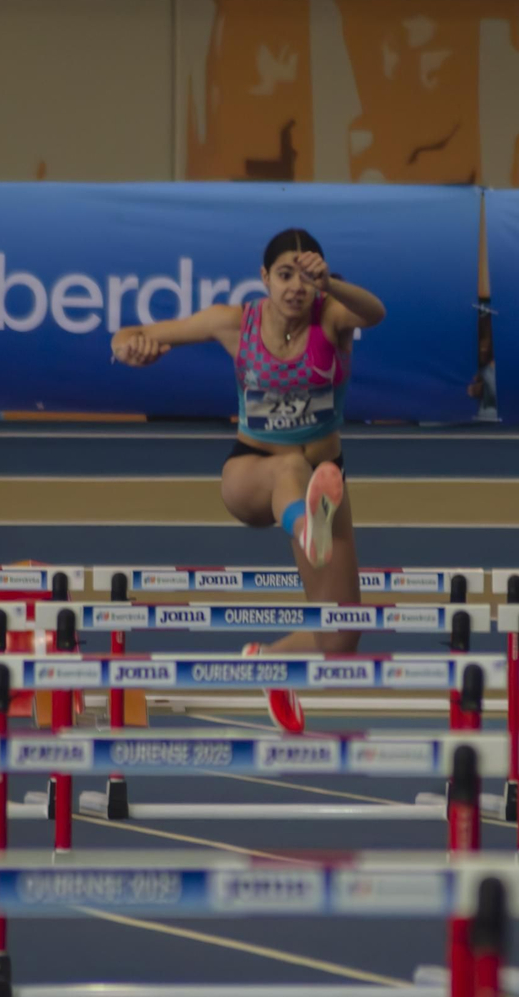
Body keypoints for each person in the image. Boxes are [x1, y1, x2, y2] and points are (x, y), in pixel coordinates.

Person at [110, 229, 386, 732]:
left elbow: (375, 313)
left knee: (343, 637)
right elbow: (127, 334)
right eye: (285, 276)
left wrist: (335, 287)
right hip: (252, 474)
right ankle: (306, 523)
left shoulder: (333, 316)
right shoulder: (234, 322)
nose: (296, 288)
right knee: (291, 468)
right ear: (264, 279)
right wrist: (131, 350)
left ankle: (270, 662)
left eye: (307, 278)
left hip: (326, 482)